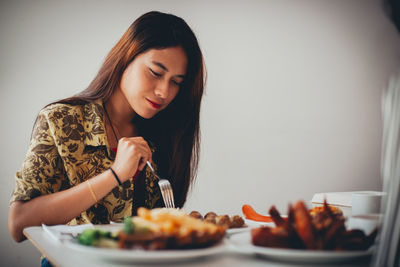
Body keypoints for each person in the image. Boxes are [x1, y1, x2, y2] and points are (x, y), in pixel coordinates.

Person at [8, 11, 205, 243]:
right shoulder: (61, 120)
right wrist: (115, 174)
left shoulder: (168, 133)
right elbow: (19, 223)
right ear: (126, 57)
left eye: (176, 82)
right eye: (155, 72)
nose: (164, 91)